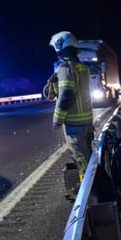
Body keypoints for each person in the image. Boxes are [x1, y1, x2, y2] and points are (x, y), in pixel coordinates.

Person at [47, 31, 94, 188]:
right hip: (87, 122)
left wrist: (57, 119)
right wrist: (53, 82)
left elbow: (66, 94)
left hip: (74, 125)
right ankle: (91, 187)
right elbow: (58, 93)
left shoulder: (65, 68)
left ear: (60, 49)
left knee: (82, 160)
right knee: (88, 157)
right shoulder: (82, 67)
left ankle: (88, 193)